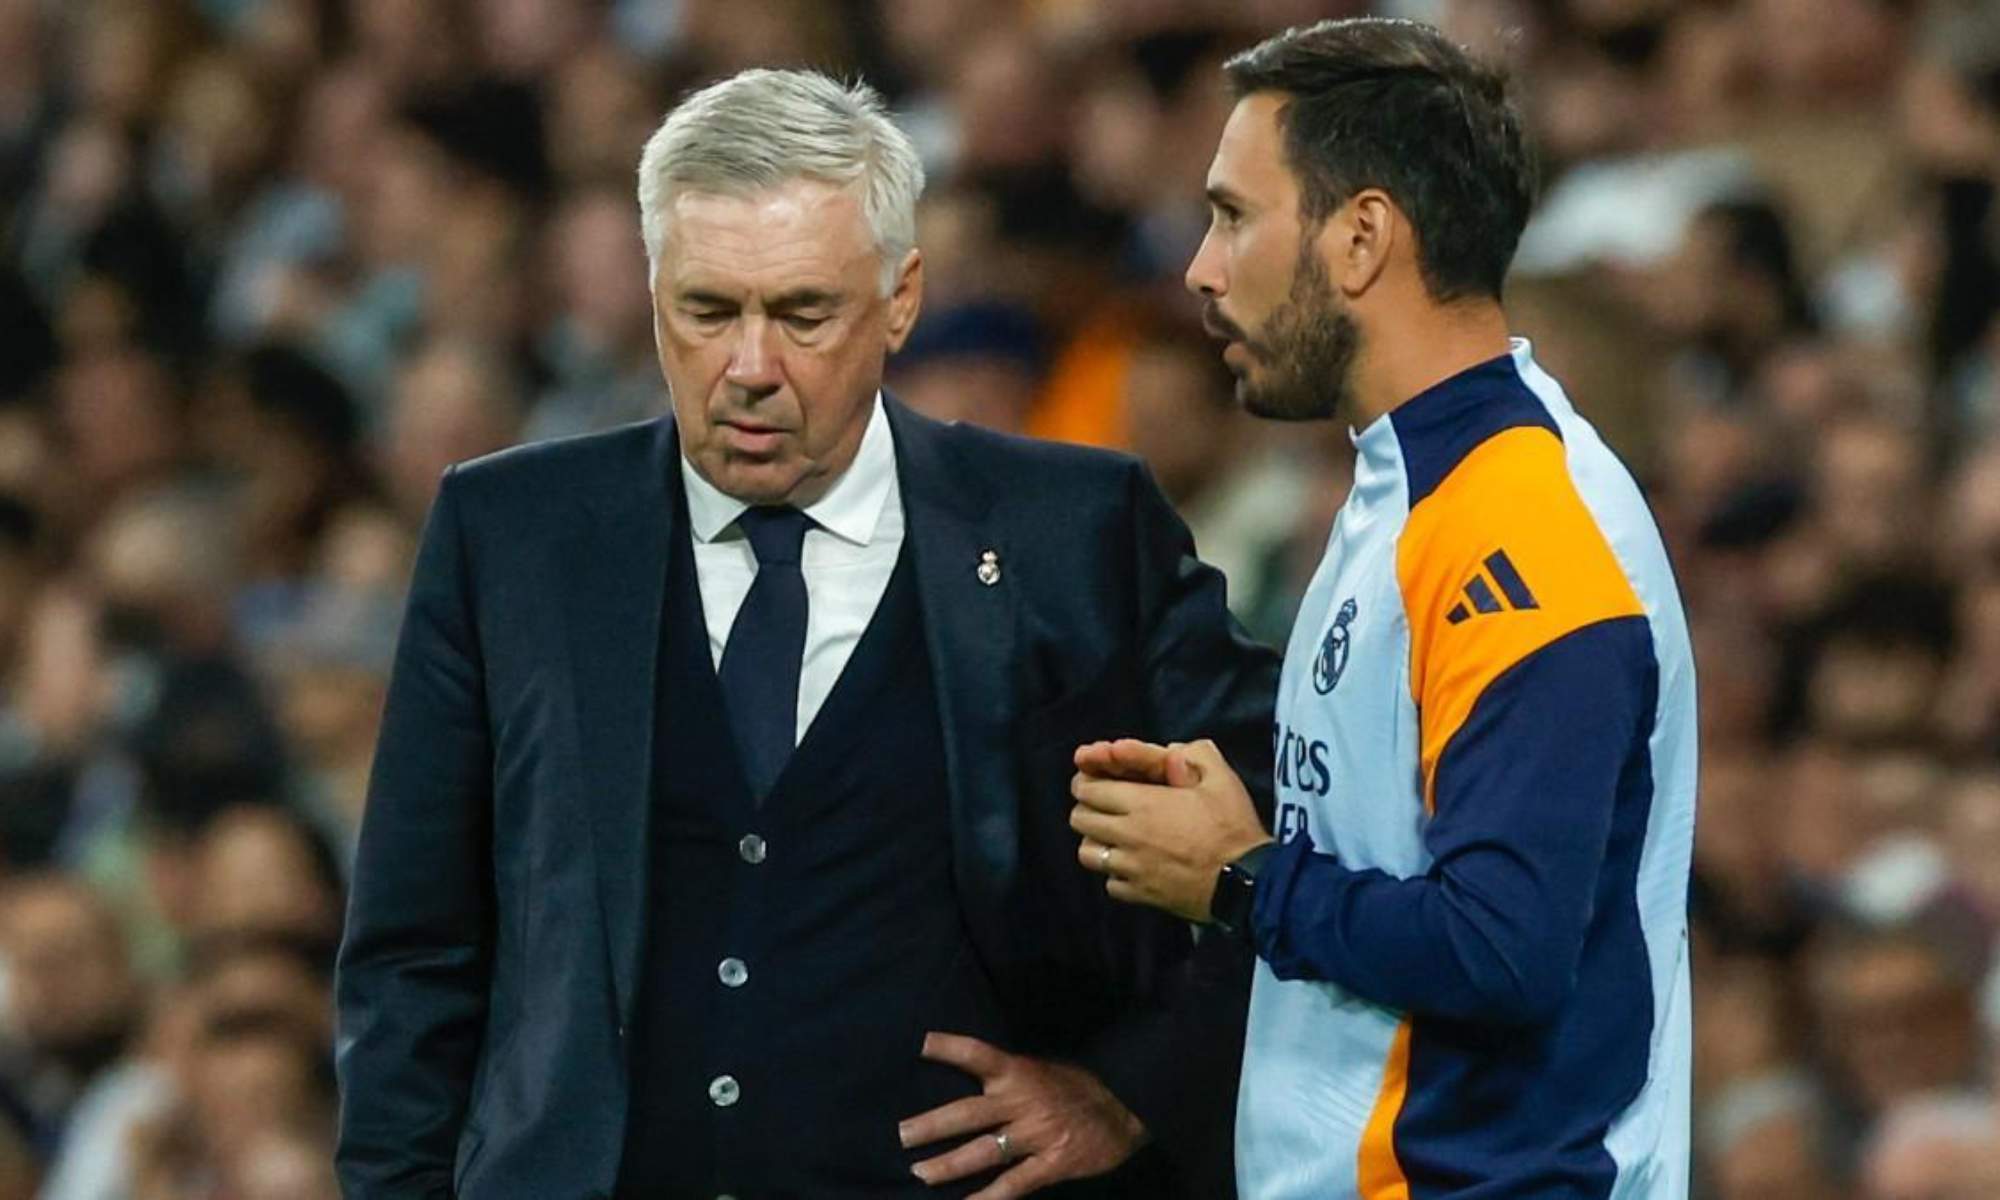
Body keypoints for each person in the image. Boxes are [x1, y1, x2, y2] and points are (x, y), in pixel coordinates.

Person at [333, 69, 1278, 1200]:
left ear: (900, 299)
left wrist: (1131, 1089)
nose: (748, 368)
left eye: (799, 314)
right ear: (651, 294)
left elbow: (1286, 817)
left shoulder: (1072, 533)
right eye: (706, 310)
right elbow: (412, 951)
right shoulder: (512, 535)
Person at [1069, 18, 1698, 1199]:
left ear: (1359, 236)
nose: (1202, 267)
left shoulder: (1518, 525)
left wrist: (1238, 875)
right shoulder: (1404, 493)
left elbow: (1503, 946)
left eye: (1234, 215)